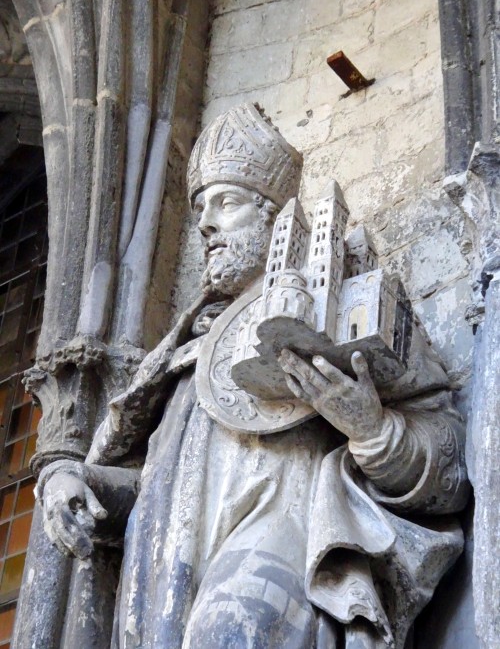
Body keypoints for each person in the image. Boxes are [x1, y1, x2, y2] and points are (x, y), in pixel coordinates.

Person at [37, 103, 469, 649]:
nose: (205, 224)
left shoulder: (345, 304)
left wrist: (373, 432)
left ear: (277, 217)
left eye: (227, 203)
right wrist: (74, 480)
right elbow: (152, 489)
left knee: (228, 632)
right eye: (199, 208)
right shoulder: (184, 354)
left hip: (285, 540)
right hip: (169, 571)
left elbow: (450, 456)